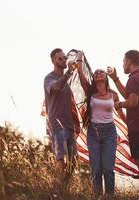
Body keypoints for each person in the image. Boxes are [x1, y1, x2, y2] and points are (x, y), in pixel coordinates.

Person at [107, 50, 139, 200]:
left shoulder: (134, 79)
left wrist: (119, 104)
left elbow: (132, 102)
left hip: (138, 126)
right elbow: (130, 94)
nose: (123, 64)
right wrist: (115, 79)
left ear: (129, 61)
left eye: (123, 61)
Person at [76, 52, 125, 197]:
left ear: (106, 77)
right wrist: (79, 59)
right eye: (96, 72)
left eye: (101, 72)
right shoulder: (90, 91)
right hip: (93, 132)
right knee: (96, 169)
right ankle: (97, 196)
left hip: (109, 132)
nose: (98, 73)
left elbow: (121, 113)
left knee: (108, 168)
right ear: (94, 77)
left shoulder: (113, 94)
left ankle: (109, 196)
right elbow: (80, 73)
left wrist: (128, 125)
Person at [43, 48, 80, 187]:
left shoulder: (66, 81)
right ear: (53, 60)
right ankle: (57, 191)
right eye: (60, 58)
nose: (64, 60)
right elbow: (56, 88)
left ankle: (62, 187)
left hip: (69, 124)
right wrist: (69, 73)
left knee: (73, 160)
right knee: (61, 158)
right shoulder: (49, 78)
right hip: (56, 124)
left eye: (65, 58)